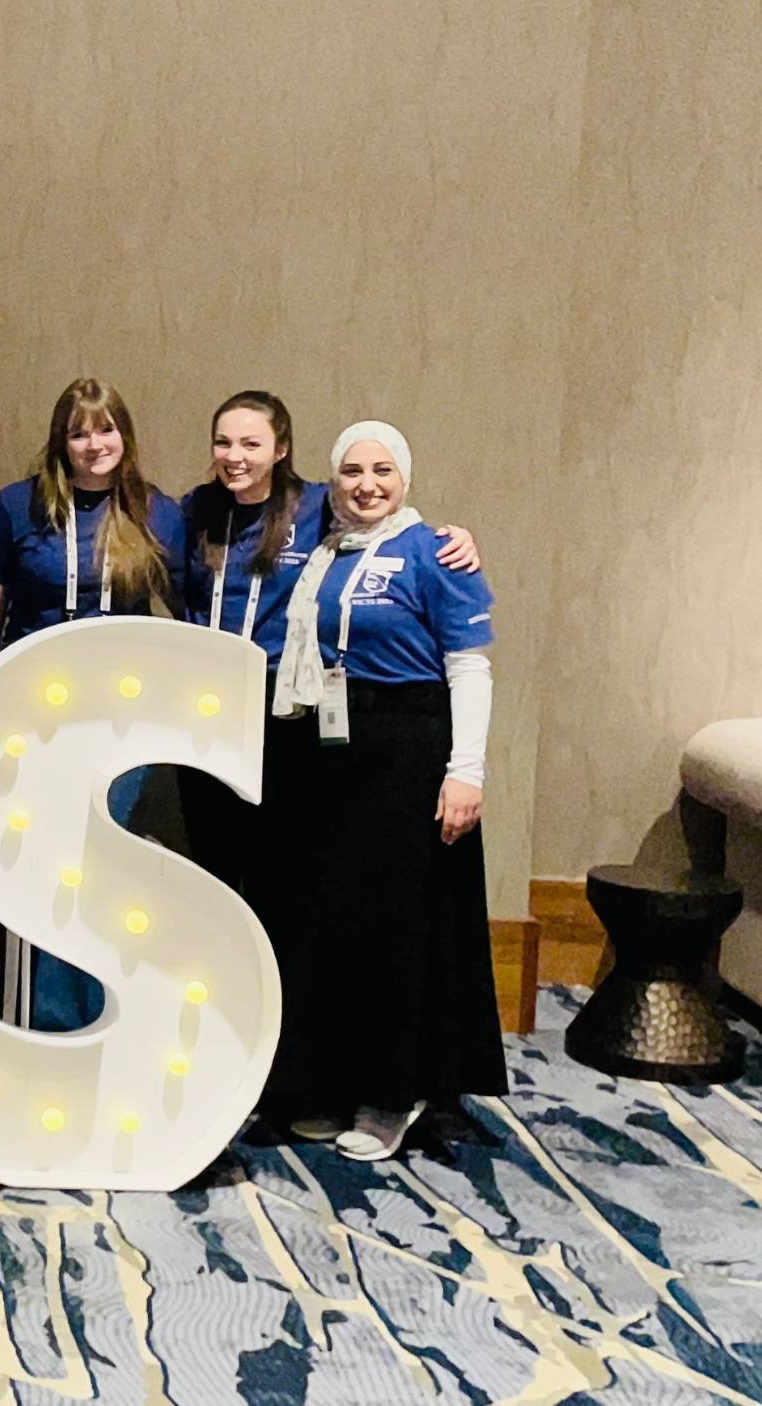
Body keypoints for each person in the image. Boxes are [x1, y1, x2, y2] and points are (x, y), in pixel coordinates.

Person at [264, 421, 501, 1160]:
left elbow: (470, 667)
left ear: (405, 477)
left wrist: (467, 771)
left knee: (399, 927)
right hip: (330, 754)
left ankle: (392, 1093)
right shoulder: (321, 551)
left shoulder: (436, 551)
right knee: (334, 920)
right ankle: (331, 1081)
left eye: (383, 471)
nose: (367, 484)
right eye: (353, 471)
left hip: (408, 753)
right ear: (332, 480)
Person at [176, 392, 479, 898]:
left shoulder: (318, 506)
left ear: (281, 448)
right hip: (209, 702)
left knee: (283, 861)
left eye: (252, 442)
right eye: (223, 442)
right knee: (212, 853)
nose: (236, 456)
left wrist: (455, 539)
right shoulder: (195, 509)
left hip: (285, 709)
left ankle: (278, 975)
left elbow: (382, 514)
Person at [0, 378, 184, 1033]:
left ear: (126, 436)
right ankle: (50, 1020)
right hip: (34, 709)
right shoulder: (18, 506)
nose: (95, 445)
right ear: (61, 441)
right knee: (44, 861)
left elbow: (191, 605)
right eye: (80, 432)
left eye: (106, 429)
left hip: (121, 717)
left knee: (96, 860)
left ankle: (94, 1018)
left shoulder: (157, 511)